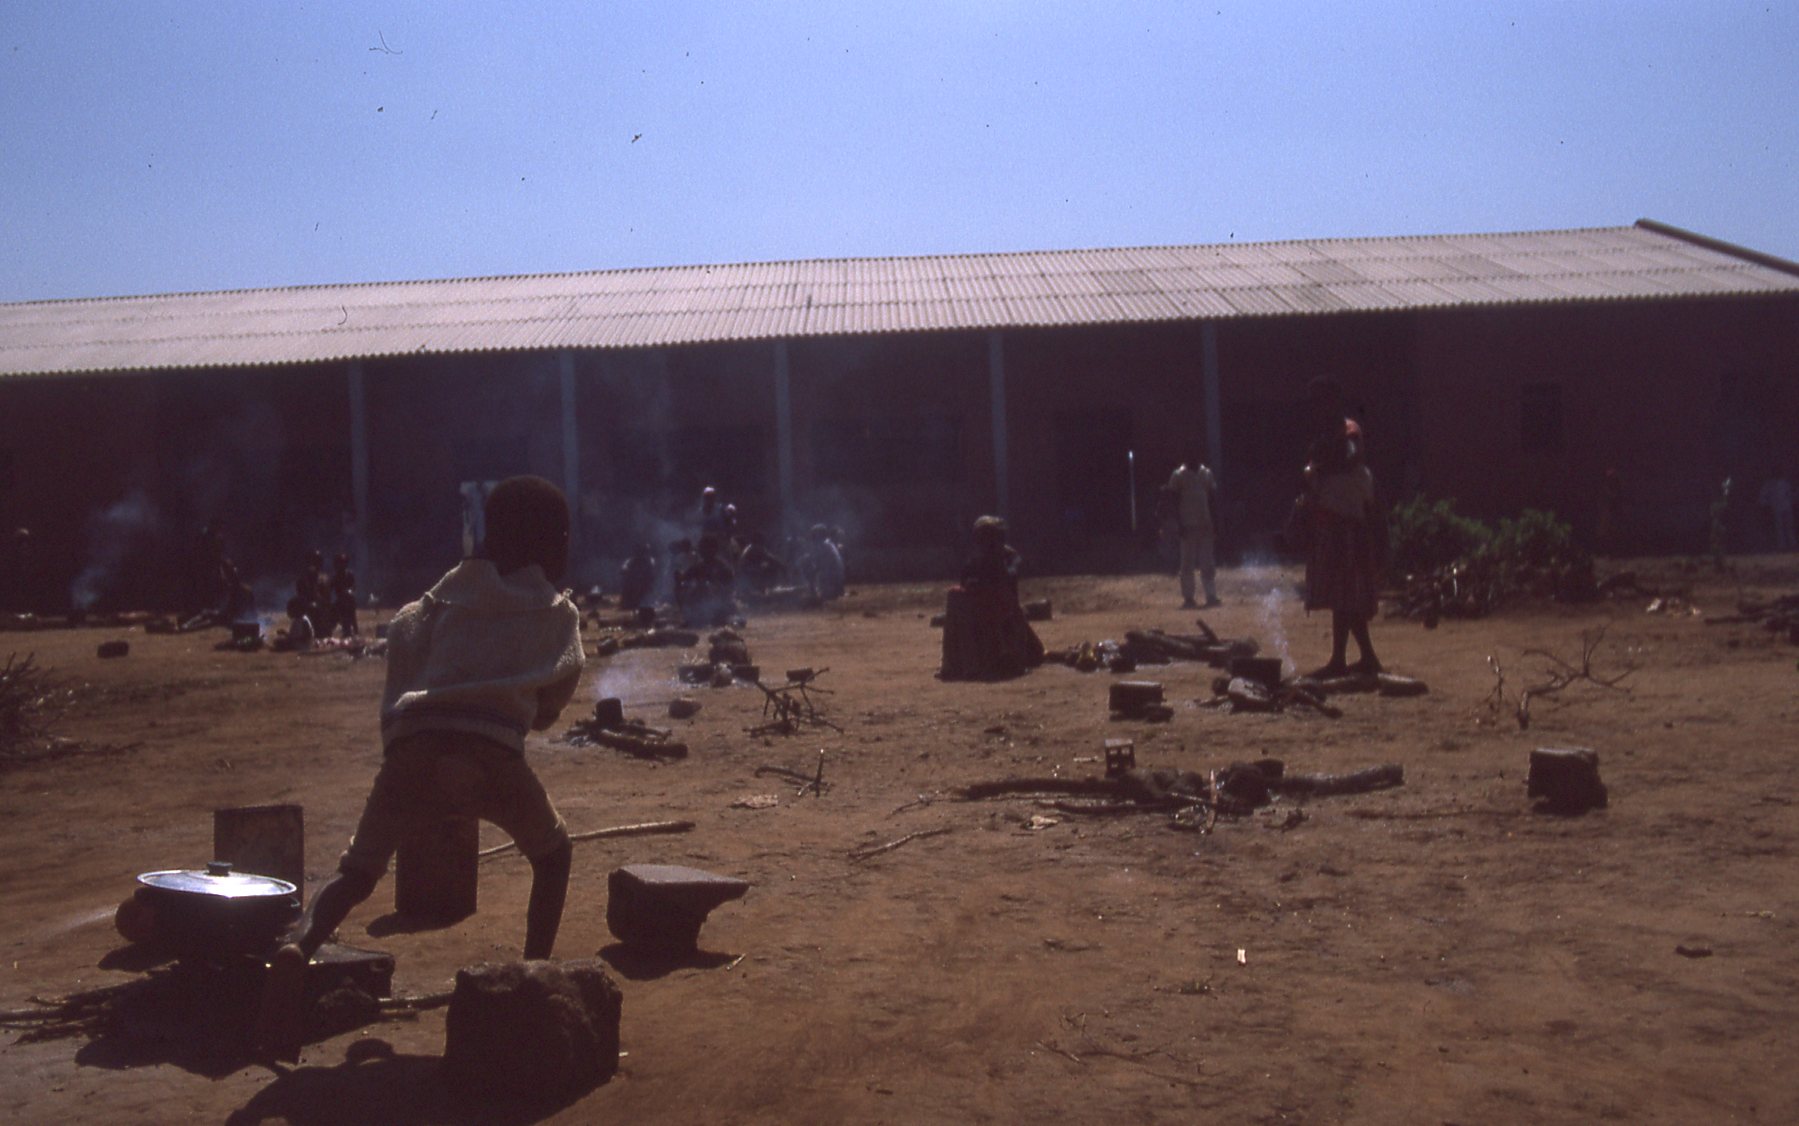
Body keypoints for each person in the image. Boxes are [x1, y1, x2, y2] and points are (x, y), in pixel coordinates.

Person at [256, 476, 584, 1060]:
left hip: (414, 743)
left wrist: (413, 724)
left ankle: (297, 946)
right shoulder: (553, 610)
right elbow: (555, 692)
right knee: (553, 856)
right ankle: (534, 976)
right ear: (551, 541)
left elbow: (405, 636)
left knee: (357, 872)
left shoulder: (442, 596)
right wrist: (523, 709)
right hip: (491, 753)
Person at [1298, 377, 1381, 677]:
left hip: (1347, 522)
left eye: (1322, 401)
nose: (1317, 408)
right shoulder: (1322, 439)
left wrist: (1321, 467)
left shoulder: (1349, 431)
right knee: (1342, 597)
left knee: (1345, 596)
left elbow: (1352, 456)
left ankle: (1342, 660)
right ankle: (1363, 657)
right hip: (1330, 521)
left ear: (1333, 402)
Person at [939, 516, 1045, 681]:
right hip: (979, 611)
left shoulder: (1009, 557)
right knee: (955, 598)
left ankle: (972, 664)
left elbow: (1010, 579)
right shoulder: (974, 559)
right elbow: (966, 582)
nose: (987, 542)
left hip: (1005, 610)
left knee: (1035, 652)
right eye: (983, 537)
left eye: (991, 536)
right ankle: (957, 665)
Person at [1165, 458, 1220, 609]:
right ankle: (1188, 597)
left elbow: (1212, 499)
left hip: (1205, 524)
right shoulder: (1178, 475)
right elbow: (1173, 501)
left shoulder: (1206, 474)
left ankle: (1211, 595)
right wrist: (1178, 524)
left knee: (1207, 562)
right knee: (1187, 563)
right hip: (1187, 525)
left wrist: (1216, 522)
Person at [675, 534, 737, 627]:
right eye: (702, 548)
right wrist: (678, 578)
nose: (703, 551)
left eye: (706, 548)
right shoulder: (698, 567)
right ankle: (693, 616)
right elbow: (683, 580)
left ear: (714, 549)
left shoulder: (722, 567)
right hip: (700, 607)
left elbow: (729, 589)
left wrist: (715, 589)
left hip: (719, 606)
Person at [798, 524, 846, 601]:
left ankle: (812, 591)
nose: (812, 537)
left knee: (805, 562)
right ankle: (819, 590)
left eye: (814, 534)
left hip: (830, 580)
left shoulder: (822, 544)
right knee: (807, 561)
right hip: (836, 582)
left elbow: (815, 563)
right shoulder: (828, 543)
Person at [1757, 467, 1795, 551]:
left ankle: (1792, 544)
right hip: (1776, 508)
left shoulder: (1785, 482)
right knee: (1779, 527)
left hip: (1786, 507)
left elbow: (1790, 494)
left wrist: (1791, 502)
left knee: (1789, 526)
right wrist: (1766, 505)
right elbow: (1762, 496)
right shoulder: (1769, 484)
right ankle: (1782, 546)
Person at [619, 542, 659, 610]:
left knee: (648, 589)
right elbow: (624, 568)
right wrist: (626, 570)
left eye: (644, 552)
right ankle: (629, 602)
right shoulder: (631, 560)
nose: (642, 554)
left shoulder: (650, 560)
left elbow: (651, 571)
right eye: (641, 551)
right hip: (633, 580)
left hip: (645, 581)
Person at [330, 553, 358, 637]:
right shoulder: (335, 577)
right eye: (339, 563)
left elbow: (353, 587)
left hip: (348, 600)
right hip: (340, 602)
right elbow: (330, 589)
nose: (341, 566)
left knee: (351, 615)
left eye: (343, 563)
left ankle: (353, 631)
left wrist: (348, 592)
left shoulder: (349, 575)